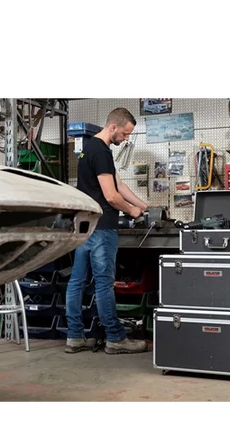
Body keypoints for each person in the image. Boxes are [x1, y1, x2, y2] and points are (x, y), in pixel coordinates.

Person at [65, 108, 148, 354]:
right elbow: (111, 196)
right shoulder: (101, 151)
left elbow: (117, 183)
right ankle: (115, 337)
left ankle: (74, 337)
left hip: (85, 227)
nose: (126, 139)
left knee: (77, 282)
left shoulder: (89, 148)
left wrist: (144, 206)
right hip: (102, 229)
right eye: (125, 133)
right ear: (113, 127)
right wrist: (132, 211)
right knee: (103, 284)